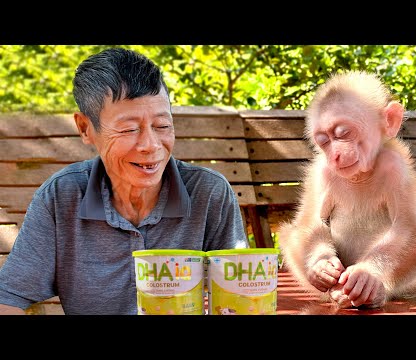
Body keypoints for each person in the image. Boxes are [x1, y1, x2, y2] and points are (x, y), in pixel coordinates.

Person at [0, 48, 249, 315]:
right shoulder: (61, 197)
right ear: (85, 128)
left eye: (162, 126)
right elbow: (10, 297)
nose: (151, 145)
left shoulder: (209, 193)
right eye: (129, 129)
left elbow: (241, 293)